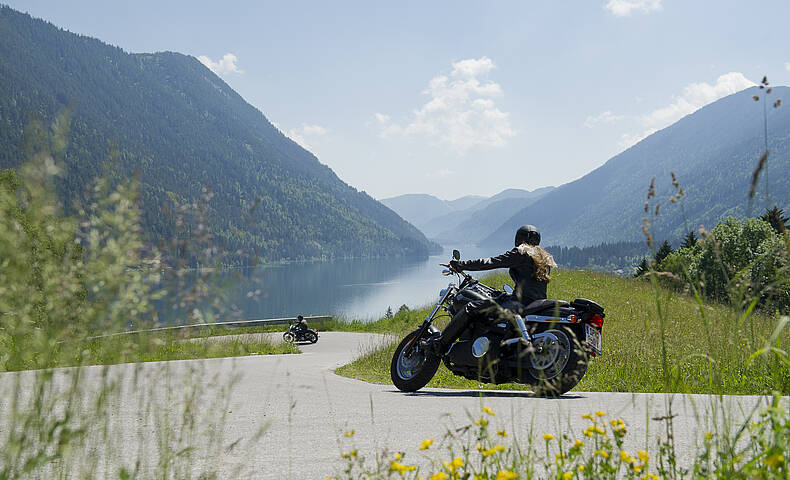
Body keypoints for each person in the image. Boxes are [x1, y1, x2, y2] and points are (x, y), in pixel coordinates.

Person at [429, 225, 557, 355]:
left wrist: (462, 265)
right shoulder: (543, 259)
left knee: (471, 307)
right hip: (535, 304)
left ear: (519, 238)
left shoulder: (522, 253)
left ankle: (439, 345)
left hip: (518, 304)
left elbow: (491, 262)